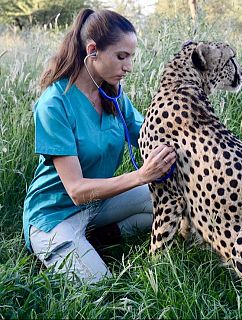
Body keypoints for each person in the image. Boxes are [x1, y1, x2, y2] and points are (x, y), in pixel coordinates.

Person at [23, 8, 176, 283]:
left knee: (167, 203)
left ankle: (96, 237)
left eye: (130, 57)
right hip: (56, 214)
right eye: (121, 56)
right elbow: (77, 191)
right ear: (92, 50)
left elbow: (149, 134)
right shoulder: (54, 104)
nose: (128, 66)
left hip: (99, 203)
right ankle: (56, 246)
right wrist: (141, 175)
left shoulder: (112, 93)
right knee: (101, 288)